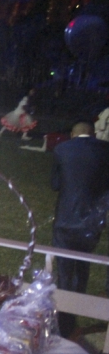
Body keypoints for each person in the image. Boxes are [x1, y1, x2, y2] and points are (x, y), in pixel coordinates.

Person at [51, 121, 109, 337]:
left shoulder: (61, 149)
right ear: (92, 134)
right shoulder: (104, 150)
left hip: (65, 219)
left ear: (73, 134)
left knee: (64, 270)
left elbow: (55, 184)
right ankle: (73, 315)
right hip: (91, 222)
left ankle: (63, 321)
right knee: (83, 266)